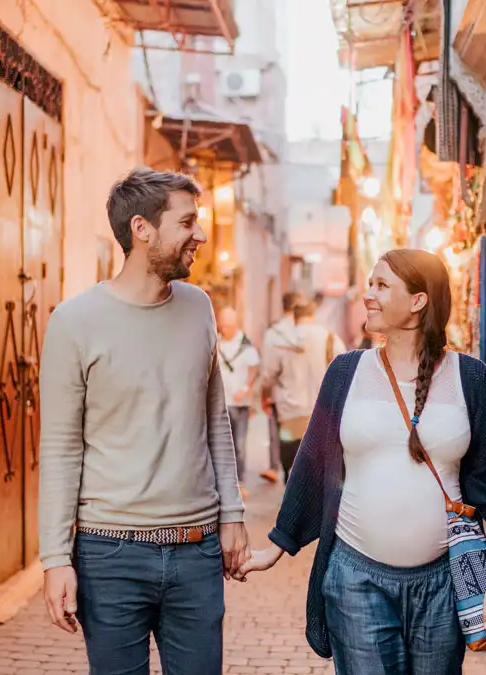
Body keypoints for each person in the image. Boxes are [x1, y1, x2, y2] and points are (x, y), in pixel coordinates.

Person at [240, 249, 486, 675]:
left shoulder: (471, 378)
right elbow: (313, 465)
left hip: (443, 585)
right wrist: (278, 546)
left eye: (381, 285)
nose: (368, 295)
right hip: (356, 580)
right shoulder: (346, 372)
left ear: (418, 302)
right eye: (370, 284)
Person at [39, 168, 248, 675]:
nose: (200, 235)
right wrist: (54, 560)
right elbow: (61, 448)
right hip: (109, 554)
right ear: (142, 228)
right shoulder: (74, 322)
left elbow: (214, 420)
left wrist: (233, 513)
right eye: (188, 222)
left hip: (197, 553)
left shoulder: (199, 308)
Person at [262, 300, 345, 478]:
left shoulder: (281, 341)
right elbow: (343, 371)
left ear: (295, 318)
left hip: (289, 410)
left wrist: (266, 396)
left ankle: (290, 489)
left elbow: (268, 375)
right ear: (313, 316)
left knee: (290, 457)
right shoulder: (329, 338)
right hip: (321, 409)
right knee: (317, 462)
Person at [216, 305, 260, 497]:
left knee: (239, 445)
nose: (226, 329)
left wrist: (247, 387)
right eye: (223, 325)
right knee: (220, 444)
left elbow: (253, 368)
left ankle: (239, 481)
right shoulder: (214, 342)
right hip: (220, 402)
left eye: (229, 325)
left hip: (240, 403)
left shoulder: (245, 344)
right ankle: (222, 483)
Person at [260, 290, 301, 483]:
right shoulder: (308, 331)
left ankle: (281, 471)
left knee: (280, 435)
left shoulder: (273, 333)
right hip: (308, 397)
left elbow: (268, 371)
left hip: (282, 395)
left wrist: (265, 392)